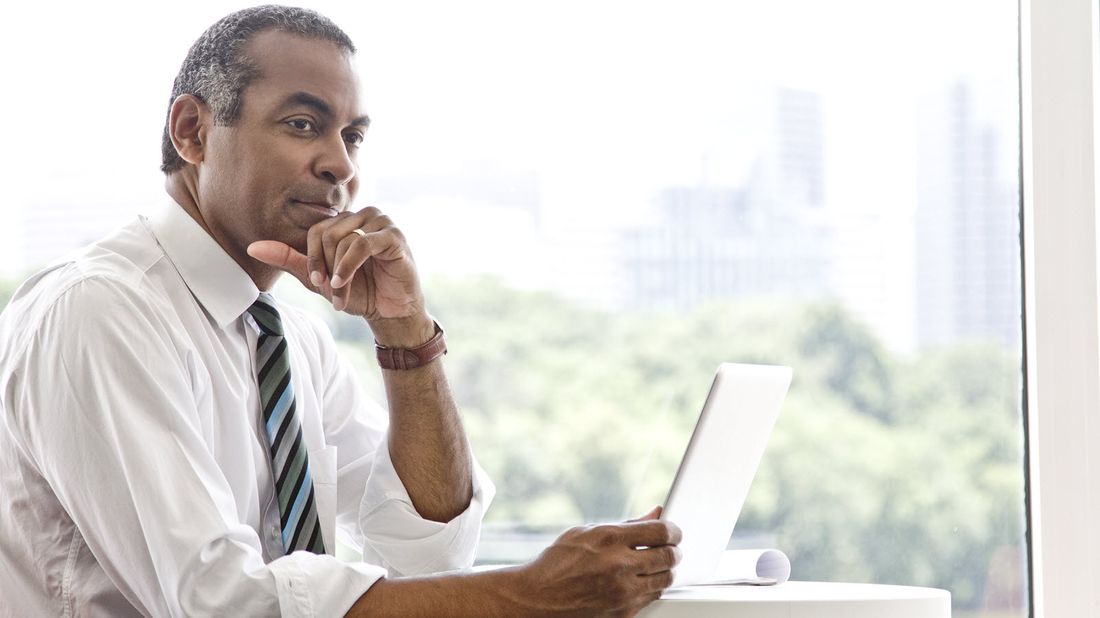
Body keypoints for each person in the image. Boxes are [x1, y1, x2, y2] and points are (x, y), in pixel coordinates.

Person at [0, 5, 681, 616]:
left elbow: (428, 557)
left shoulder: (291, 338)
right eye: (303, 125)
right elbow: (220, 606)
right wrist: (531, 594)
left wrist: (405, 334)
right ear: (192, 131)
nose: (340, 166)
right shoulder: (100, 311)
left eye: (352, 136)